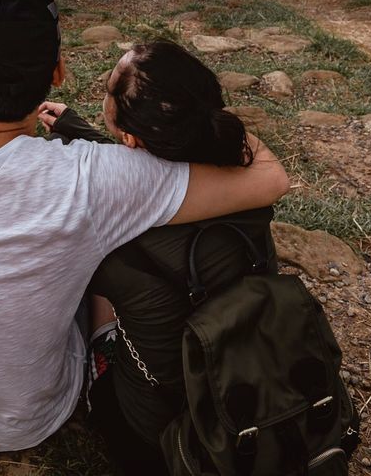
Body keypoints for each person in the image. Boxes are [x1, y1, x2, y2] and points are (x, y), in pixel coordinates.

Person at [0, 0, 290, 454]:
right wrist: (210, 113)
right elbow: (271, 178)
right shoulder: (99, 179)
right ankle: (104, 346)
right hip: (23, 420)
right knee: (99, 256)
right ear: (58, 72)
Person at [39, 40, 276, 475]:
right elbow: (161, 180)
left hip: (158, 439)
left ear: (128, 138)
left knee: (90, 298)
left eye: (110, 88)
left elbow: (134, 190)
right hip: (248, 388)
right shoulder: (247, 186)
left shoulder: (114, 229)